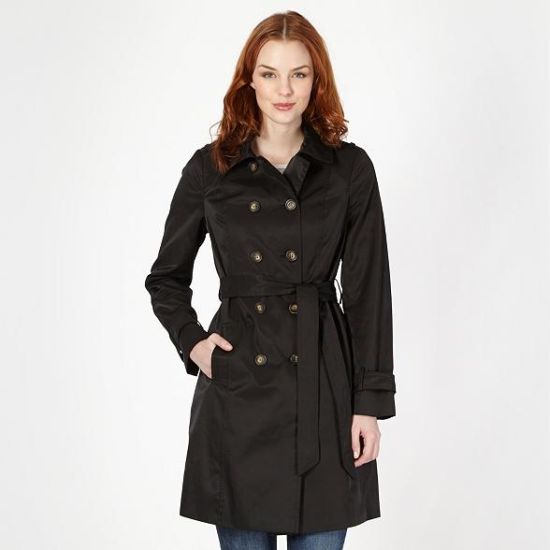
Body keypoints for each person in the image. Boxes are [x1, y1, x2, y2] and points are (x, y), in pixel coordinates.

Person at [144, 10, 397, 550]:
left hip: (324, 390)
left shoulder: (349, 170)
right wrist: (194, 344)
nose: (284, 90)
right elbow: (165, 278)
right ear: (249, 80)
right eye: (269, 74)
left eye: (298, 74)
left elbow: (368, 292)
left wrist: (369, 403)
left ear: (316, 80)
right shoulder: (211, 169)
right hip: (239, 393)